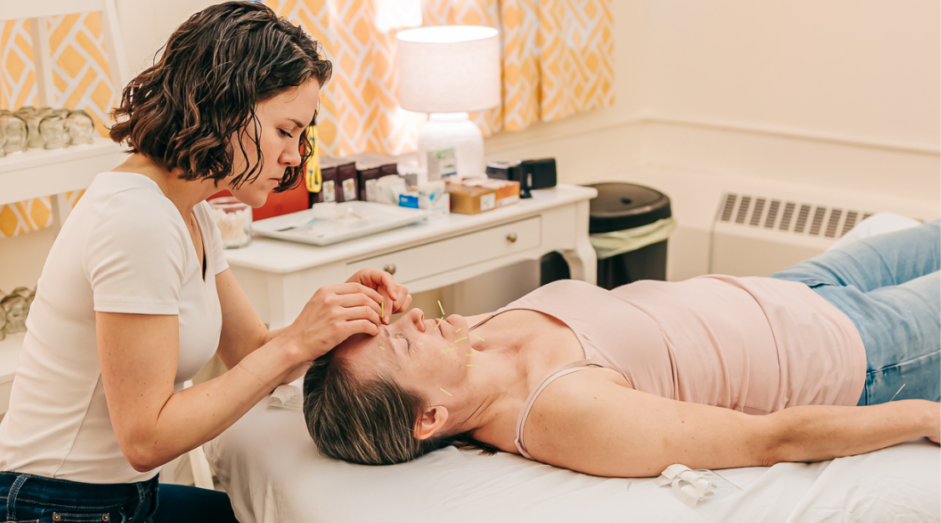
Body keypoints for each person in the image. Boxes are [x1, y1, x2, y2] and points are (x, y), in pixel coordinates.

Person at [0, 1, 411, 522]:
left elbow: (249, 351)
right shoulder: (137, 219)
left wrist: (335, 320)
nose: (296, 156)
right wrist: (297, 340)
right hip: (52, 507)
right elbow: (146, 437)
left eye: (301, 137)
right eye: (285, 131)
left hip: (122, 498)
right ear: (227, 106)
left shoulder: (189, 212)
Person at [303, 219, 941, 478]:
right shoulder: (563, 410)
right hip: (860, 349)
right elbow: (769, 440)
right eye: (399, 342)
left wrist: (358, 315)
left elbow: (311, 357)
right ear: (430, 417)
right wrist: (926, 416)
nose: (411, 317)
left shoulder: (468, 343)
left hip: (793, 287)